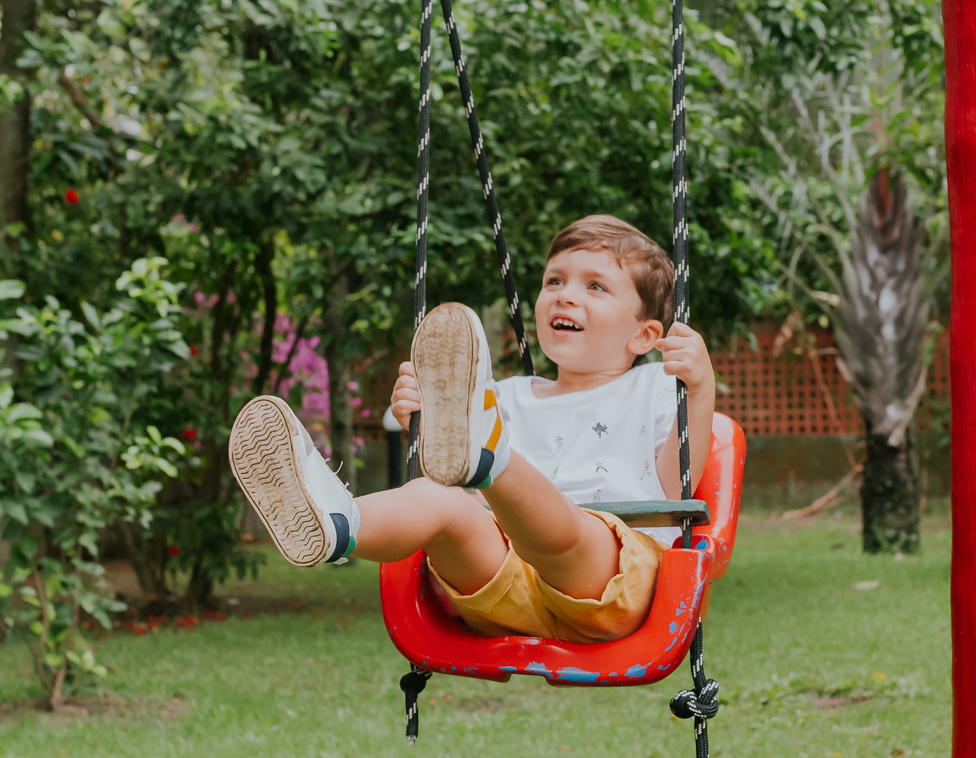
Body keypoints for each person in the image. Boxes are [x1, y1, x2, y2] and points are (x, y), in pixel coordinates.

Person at [227, 214, 715, 644]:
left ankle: (488, 457)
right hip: (502, 587)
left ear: (646, 334)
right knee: (440, 501)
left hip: (611, 582)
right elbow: (438, 475)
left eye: (595, 286)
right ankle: (337, 524)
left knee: (571, 528)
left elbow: (676, 488)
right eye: (554, 281)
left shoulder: (657, 385)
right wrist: (417, 414)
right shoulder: (505, 395)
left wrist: (697, 389)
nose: (565, 295)